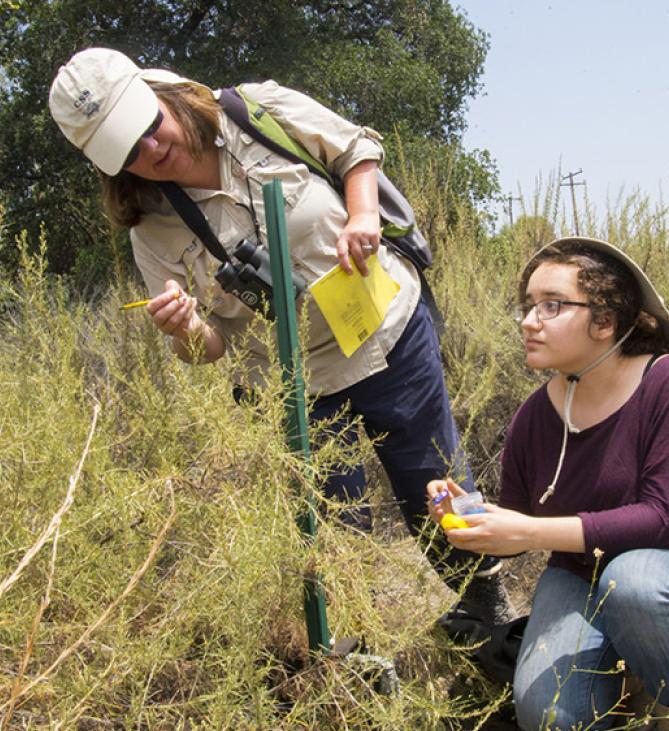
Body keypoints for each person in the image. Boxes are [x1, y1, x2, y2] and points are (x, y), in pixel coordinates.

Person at [48, 48, 512, 624]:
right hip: (292, 388)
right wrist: (187, 329)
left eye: (147, 127)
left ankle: (494, 621)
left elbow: (355, 148)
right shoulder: (150, 227)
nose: (150, 152)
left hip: (388, 331)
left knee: (442, 489)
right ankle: (359, 667)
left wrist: (364, 214)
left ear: (160, 93)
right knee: (334, 534)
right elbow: (210, 347)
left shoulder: (255, 109)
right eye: (125, 153)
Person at [428, 238, 669, 731]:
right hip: (582, 579)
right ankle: (631, 676)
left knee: (634, 581)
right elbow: (520, 524)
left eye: (552, 305)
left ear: (605, 321)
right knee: (548, 717)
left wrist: (529, 533)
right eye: (528, 306)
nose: (529, 321)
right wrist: (468, 518)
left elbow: (664, 520)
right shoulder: (533, 416)